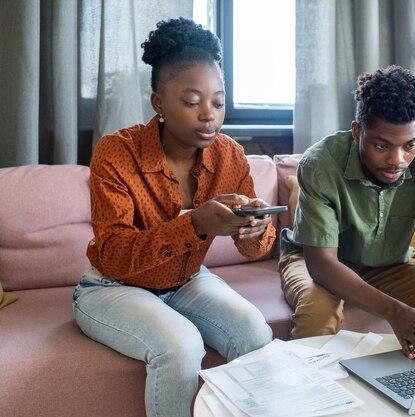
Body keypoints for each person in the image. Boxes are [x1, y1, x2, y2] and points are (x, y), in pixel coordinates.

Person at [73, 18, 274, 417]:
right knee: (181, 345)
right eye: (192, 101)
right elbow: (113, 255)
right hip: (112, 286)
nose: (209, 116)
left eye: (218, 102)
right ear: (159, 102)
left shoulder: (229, 156)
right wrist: (195, 223)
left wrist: (254, 227)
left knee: (255, 331)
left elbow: (255, 251)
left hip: (187, 280)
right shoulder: (117, 152)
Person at [279, 65, 415, 362]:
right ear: (357, 131)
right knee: (318, 316)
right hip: (317, 261)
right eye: (381, 145)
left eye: (409, 145)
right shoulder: (320, 164)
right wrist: (394, 311)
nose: (397, 160)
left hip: (389, 267)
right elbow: (321, 264)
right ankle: (308, 403)